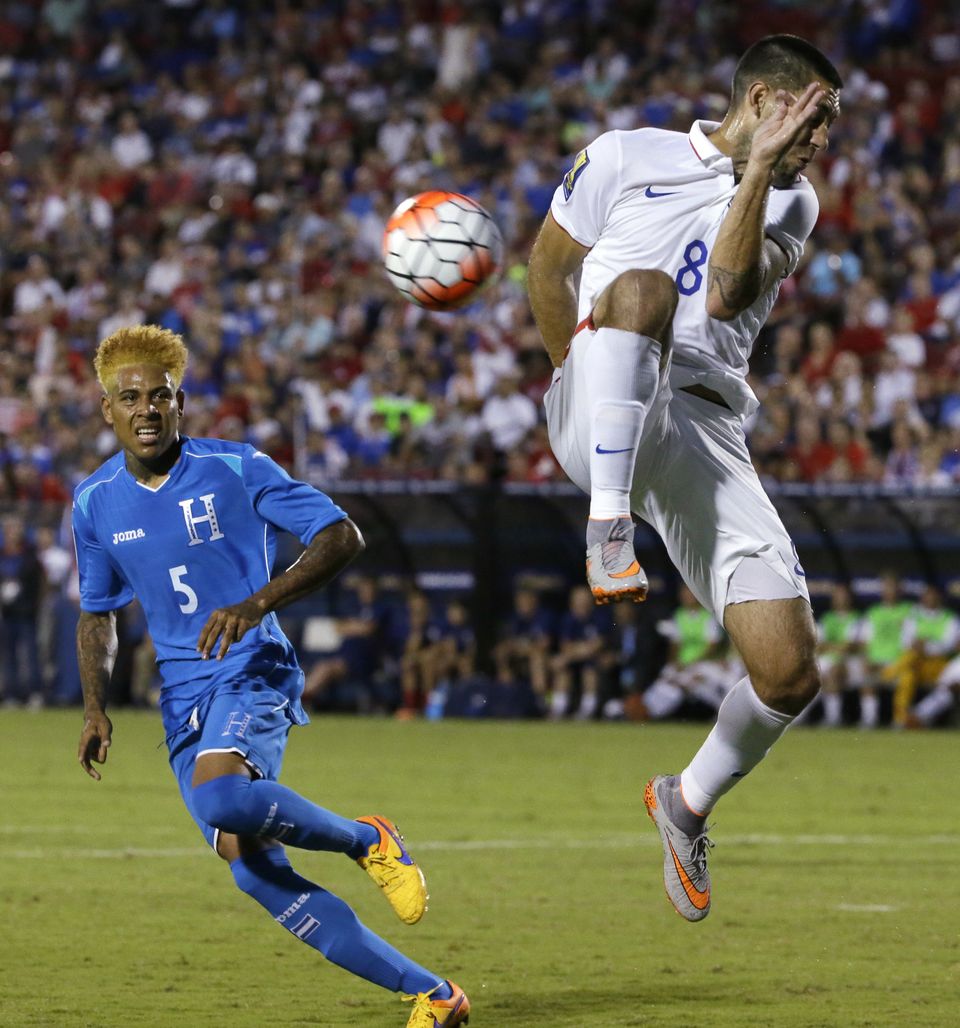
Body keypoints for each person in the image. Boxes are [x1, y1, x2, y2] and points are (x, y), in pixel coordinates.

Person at [528, 34, 842, 921]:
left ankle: (686, 801)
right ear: (764, 101)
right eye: (814, 118)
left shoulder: (792, 201)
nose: (822, 141)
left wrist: (762, 174)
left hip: (705, 420)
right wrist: (573, 377)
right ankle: (607, 527)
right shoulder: (626, 154)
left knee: (788, 672)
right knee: (639, 291)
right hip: (602, 390)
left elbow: (730, 295)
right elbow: (550, 269)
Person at [72, 325, 469, 1028]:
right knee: (253, 870)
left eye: (159, 396)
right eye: (129, 398)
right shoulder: (95, 501)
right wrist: (95, 709)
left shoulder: (234, 468)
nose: (146, 409)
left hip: (251, 670)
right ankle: (434, 995)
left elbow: (341, 535)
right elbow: (98, 613)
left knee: (224, 799)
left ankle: (368, 838)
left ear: (180, 402)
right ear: (107, 409)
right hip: (181, 700)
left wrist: (258, 603)